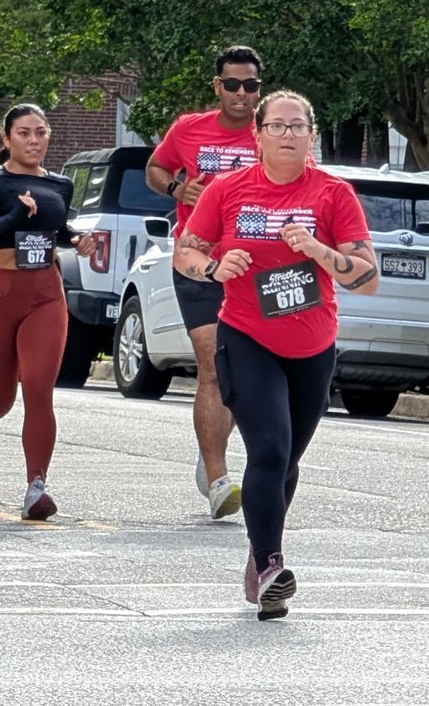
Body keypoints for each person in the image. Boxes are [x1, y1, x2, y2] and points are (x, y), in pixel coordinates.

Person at [174, 90, 377, 620]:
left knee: (287, 460)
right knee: (268, 450)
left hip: (312, 345)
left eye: (298, 127)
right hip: (246, 335)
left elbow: (367, 277)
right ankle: (270, 566)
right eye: (277, 126)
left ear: (311, 135)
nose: (288, 134)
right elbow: (186, 251)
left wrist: (319, 251)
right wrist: (215, 267)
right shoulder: (227, 190)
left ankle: (258, 552)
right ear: (257, 135)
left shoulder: (334, 195)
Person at [0, 103, 96, 520]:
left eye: (40, 132)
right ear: (7, 139)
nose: (34, 141)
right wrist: (13, 218)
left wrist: (77, 240)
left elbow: (56, 229)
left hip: (44, 293)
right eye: (24, 133)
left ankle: (36, 487)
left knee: (38, 385)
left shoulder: (61, 184)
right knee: (1, 399)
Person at [145, 45, 264, 519]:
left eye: (251, 85)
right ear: (217, 87)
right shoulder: (188, 129)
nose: (241, 94)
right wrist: (177, 188)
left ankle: (208, 443)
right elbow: (155, 168)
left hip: (254, 267)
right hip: (197, 261)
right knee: (213, 365)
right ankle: (218, 480)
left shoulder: (272, 132)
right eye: (232, 84)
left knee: (237, 372)